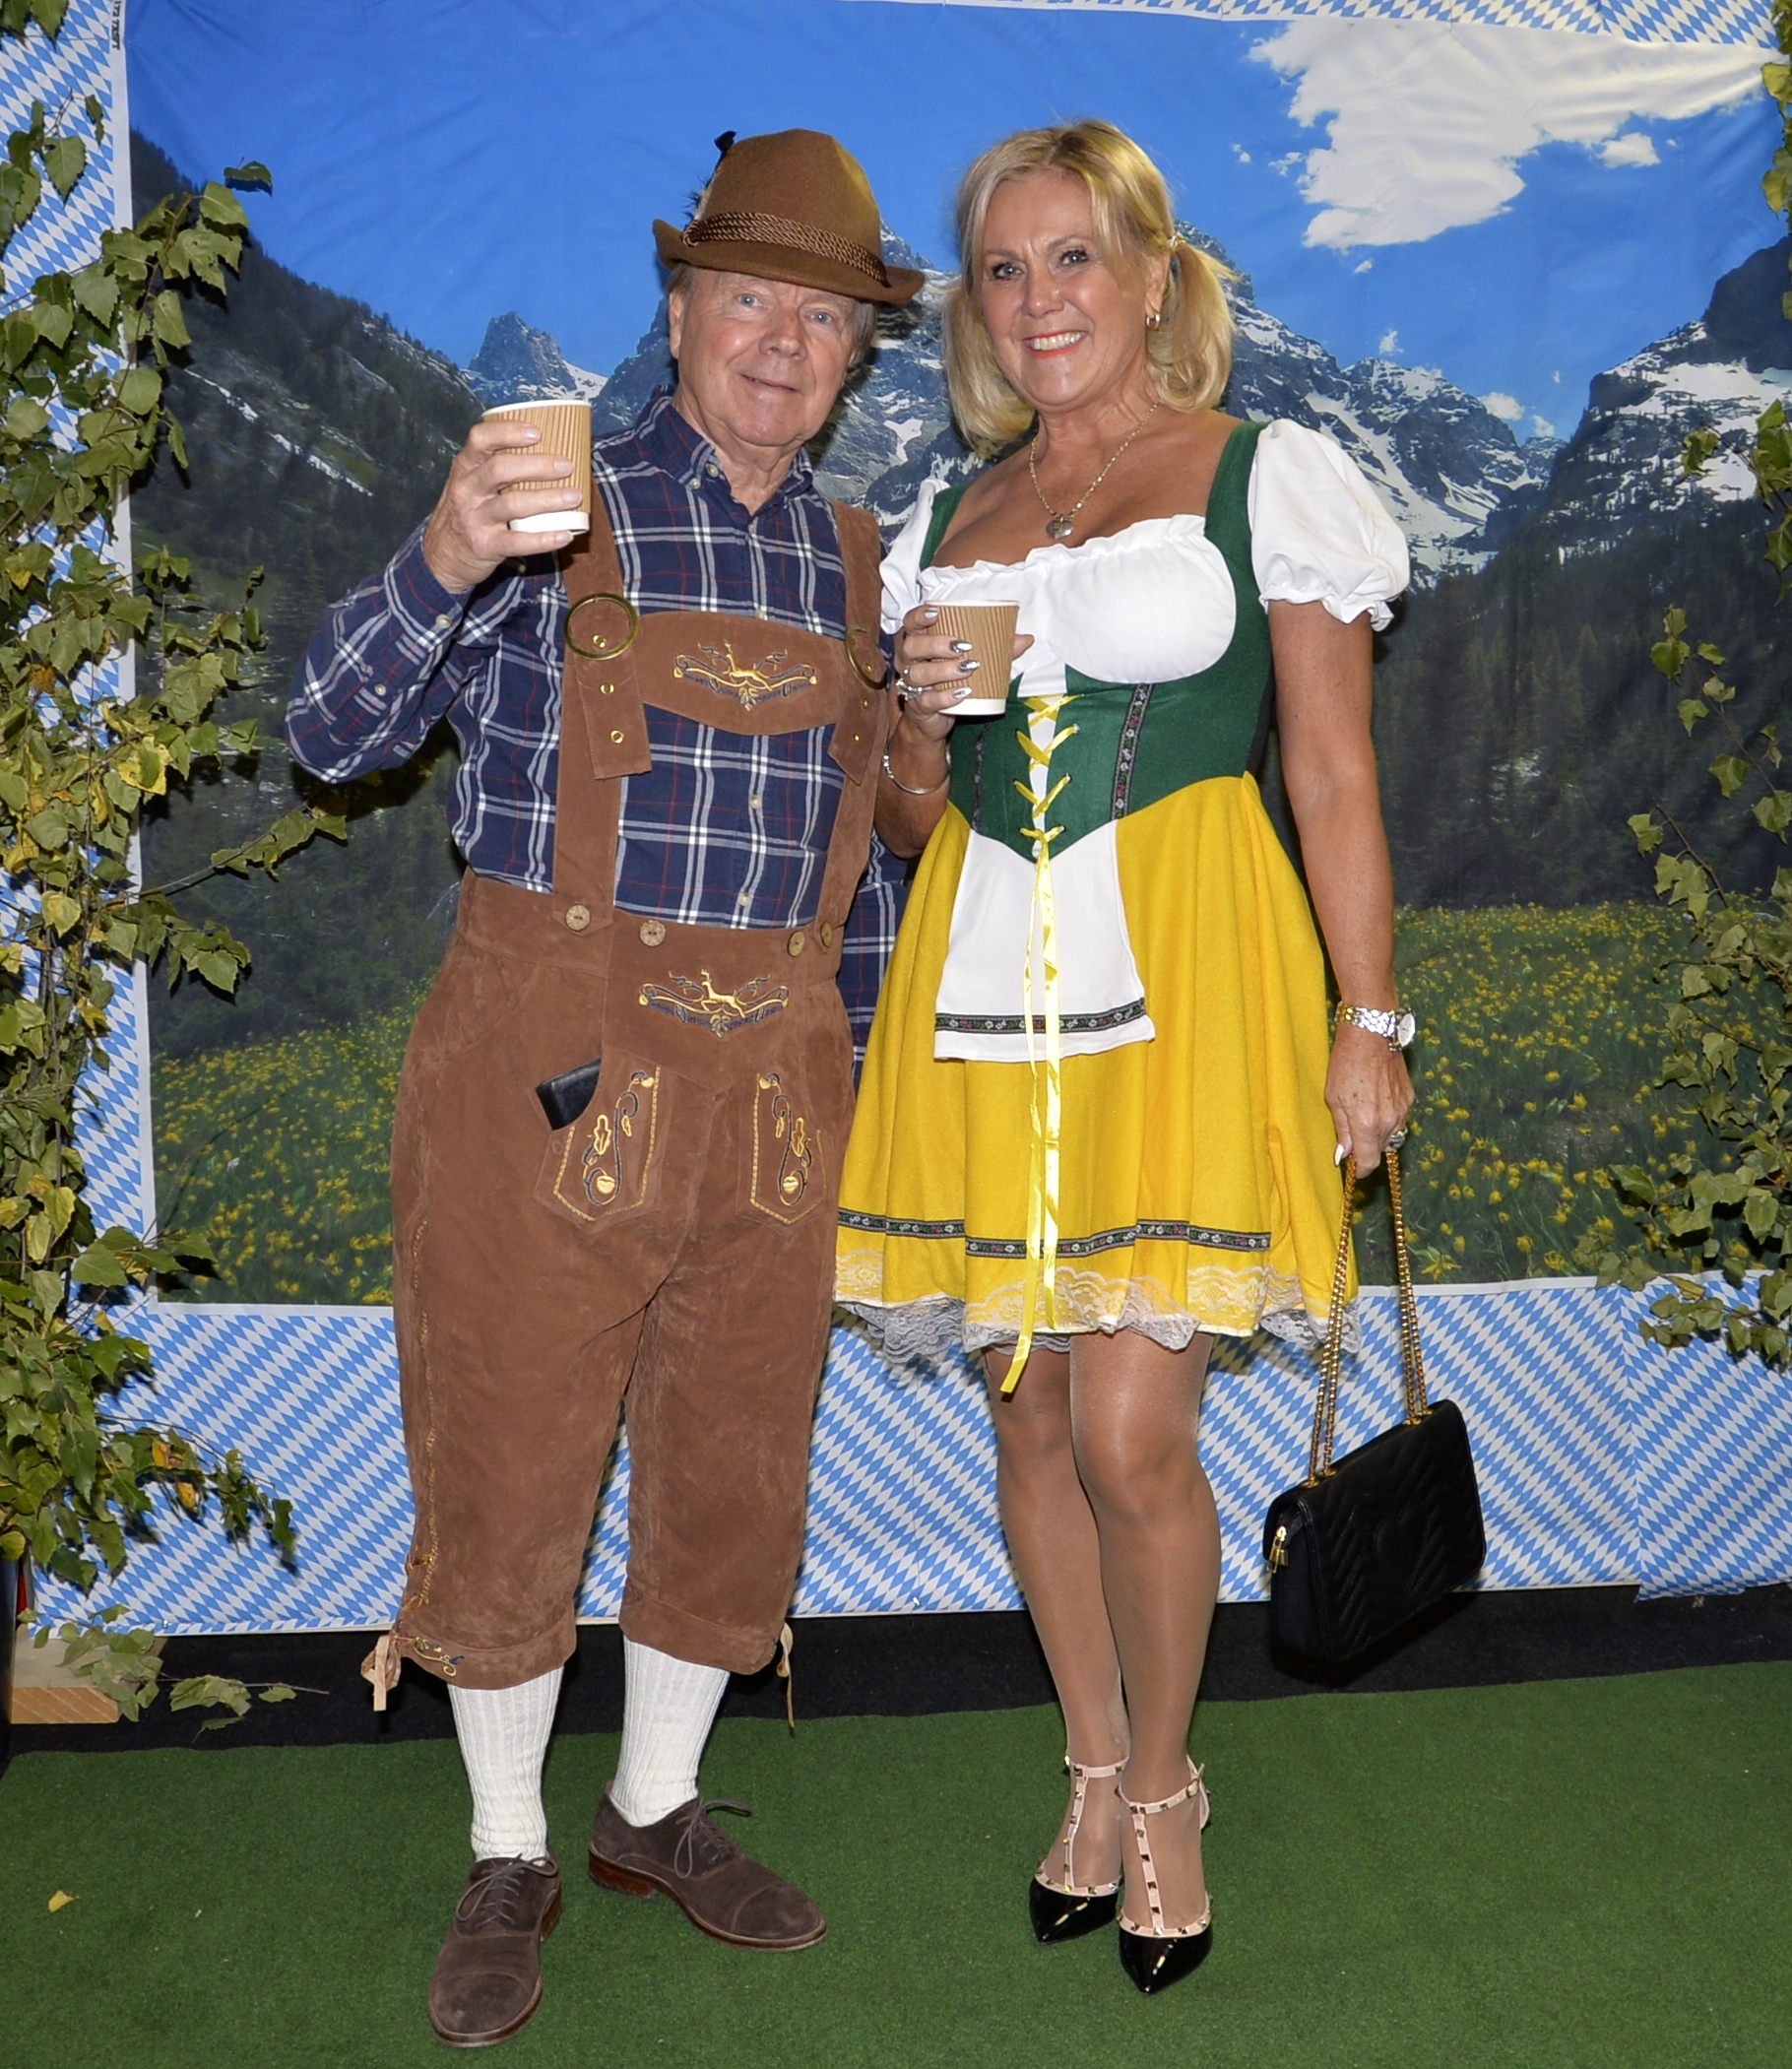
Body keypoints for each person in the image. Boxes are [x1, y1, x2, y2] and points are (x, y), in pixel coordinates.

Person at [288, 130, 919, 2048]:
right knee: (510, 1457)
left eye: (822, 317)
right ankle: (508, 1845)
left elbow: (858, 873)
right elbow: (327, 729)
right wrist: (447, 552)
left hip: (774, 1100)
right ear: (681, 310)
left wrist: (863, 1078)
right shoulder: (549, 502)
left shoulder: (855, 561)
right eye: (751, 301)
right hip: (542, 1078)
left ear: (854, 354)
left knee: (733, 1464)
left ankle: (652, 1807)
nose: (782, 342)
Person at [836, 119, 1413, 1996]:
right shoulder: (953, 514)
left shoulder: (1264, 476)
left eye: (1073, 256)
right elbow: (912, 816)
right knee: (1026, 1410)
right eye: (1004, 270)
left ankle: (1167, 1783)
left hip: (1190, 964)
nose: (1039, 300)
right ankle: (1088, 1759)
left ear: (1157, 276)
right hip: (985, 974)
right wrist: (917, 721)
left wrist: (1369, 1014)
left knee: (1128, 1428)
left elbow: (1329, 767)